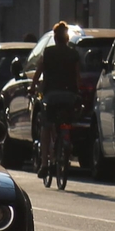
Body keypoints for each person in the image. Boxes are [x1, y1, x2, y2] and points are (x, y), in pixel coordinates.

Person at [32, 21, 83, 171]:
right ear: (67, 38)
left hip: (51, 95)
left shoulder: (48, 53)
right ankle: (66, 142)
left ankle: (44, 164)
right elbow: (78, 77)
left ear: (55, 38)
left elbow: (38, 72)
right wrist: (78, 92)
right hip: (69, 96)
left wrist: (32, 87)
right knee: (67, 120)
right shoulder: (74, 54)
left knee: (46, 126)